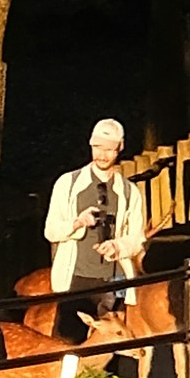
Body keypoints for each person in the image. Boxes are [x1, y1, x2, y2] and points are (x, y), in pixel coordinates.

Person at [43, 120, 139, 321]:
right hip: (76, 278)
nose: (102, 155)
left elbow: (136, 239)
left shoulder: (130, 191)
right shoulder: (68, 184)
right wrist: (77, 223)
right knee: (70, 344)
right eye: (97, 148)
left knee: (114, 343)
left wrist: (117, 246)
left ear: (120, 148)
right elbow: (51, 231)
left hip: (114, 278)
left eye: (109, 149)